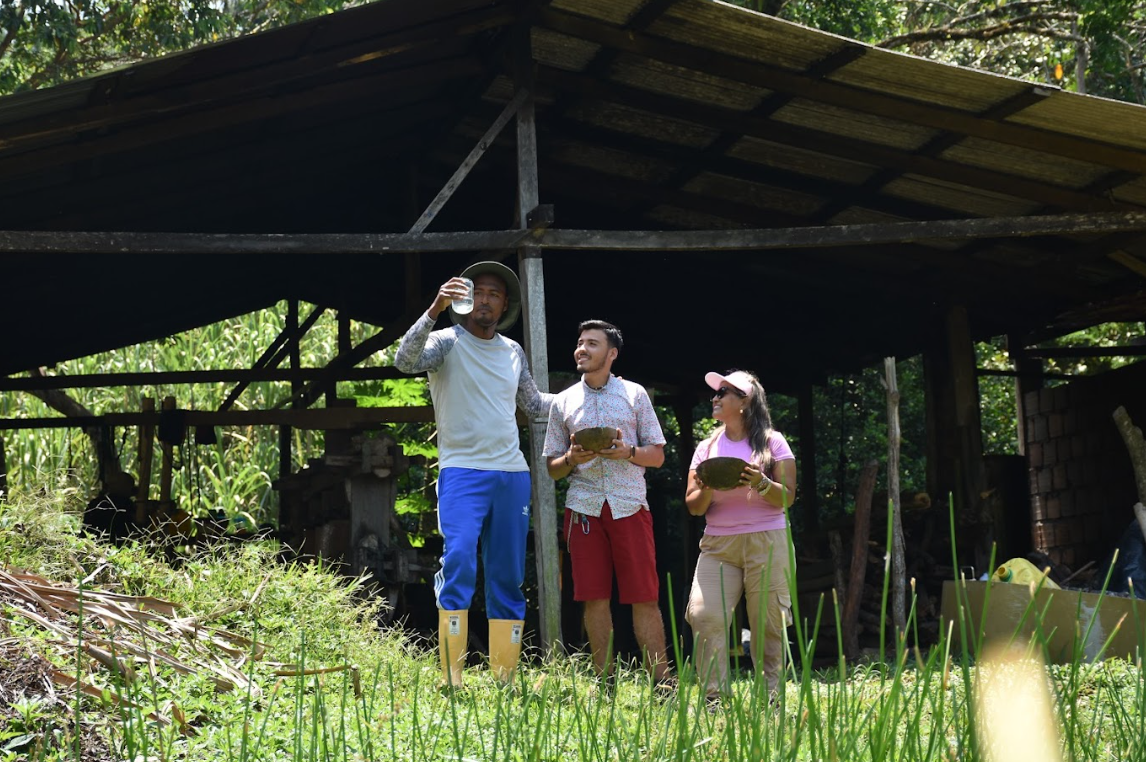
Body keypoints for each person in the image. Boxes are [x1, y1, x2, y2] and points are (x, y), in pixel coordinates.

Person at [395, 261, 552, 688]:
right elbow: (404, 360)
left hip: (511, 474)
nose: (485, 299)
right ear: (464, 301)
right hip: (462, 470)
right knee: (460, 558)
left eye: (494, 294)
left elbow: (535, 406)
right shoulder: (446, 341)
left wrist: (589, 398)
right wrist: (433, 308)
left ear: (505, 305)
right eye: (477, 291)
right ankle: (452, 676)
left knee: (508, 573)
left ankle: (505, 678)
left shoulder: (513, 351)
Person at [543, 320, 670, 684]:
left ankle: (661, 681)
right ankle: (605, 681)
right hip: (583, 507)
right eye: (580, 343)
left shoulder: (634, 394)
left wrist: (629, 451)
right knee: (593, 597)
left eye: (592, 344)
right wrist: (570, 460)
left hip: (629, 504)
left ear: (611, 354)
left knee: (644, 596)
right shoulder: (563, 401)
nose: (582, 349)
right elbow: (552, 468)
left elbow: (657, 455)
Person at [684, 369, 797, 702]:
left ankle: (772, 700)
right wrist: (705, 488)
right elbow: (693, 506)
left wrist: (759, 482)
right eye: (715, 393)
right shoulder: (707, 447)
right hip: (718, 545)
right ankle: (714, 701)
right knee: (705, 617)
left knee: (768, 625)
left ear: (745, 402)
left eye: (724, 393)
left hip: (767, 541)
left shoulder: (773, 442)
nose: (715, 398)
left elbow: (788, 497)